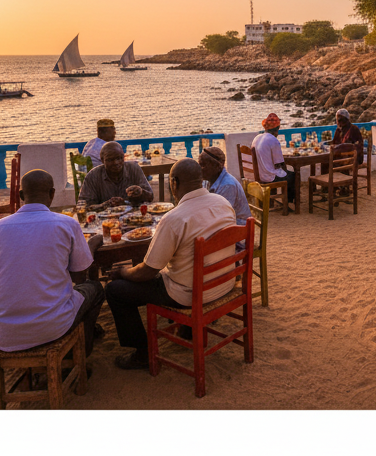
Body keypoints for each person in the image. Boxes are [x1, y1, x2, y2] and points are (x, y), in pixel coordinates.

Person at [105, 158, 238, 370]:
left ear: (173, 182)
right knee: (176, 268)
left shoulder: (174, 218)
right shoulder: (223, 203)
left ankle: (142, 353)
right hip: (224, 284)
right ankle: (187, 329)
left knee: (115, 291)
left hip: (191, 295)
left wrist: (123, 272)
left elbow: (148, 271)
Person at [0, 169, 104, 357]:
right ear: (52, 193)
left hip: (3, 332)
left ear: (22, 195)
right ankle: (80, 355)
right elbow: (80, 278)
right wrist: (91, 245)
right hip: (53, 326)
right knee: (94, 289)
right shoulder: (66, 224)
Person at [77, 141, 154, 206]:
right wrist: (106, 204)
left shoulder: (133, 169)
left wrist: (140, 193)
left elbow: (150, 197)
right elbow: (83, 206)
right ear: (102, 160)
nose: (116, 163)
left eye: (119, 158)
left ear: (124, 157)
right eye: (110, 160)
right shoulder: (93, 176)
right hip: (105, 221)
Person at [198, 145, 250, 228]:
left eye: (203, 165)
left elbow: (221, 218)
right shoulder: (207, 180)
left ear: (216, 166)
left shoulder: (228, 185)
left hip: (237, 229)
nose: (200, 169)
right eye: (199, 165)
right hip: (222, 223)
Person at [252, 113, 295, 204]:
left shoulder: (257, 137)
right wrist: (285, 172)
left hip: (258, 174)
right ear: (277, 129)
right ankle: (288, 201)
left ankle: (274, 201)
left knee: (285, 173)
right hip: (269, 177)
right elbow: (279, 164)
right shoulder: (273, 140)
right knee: (293, 176)